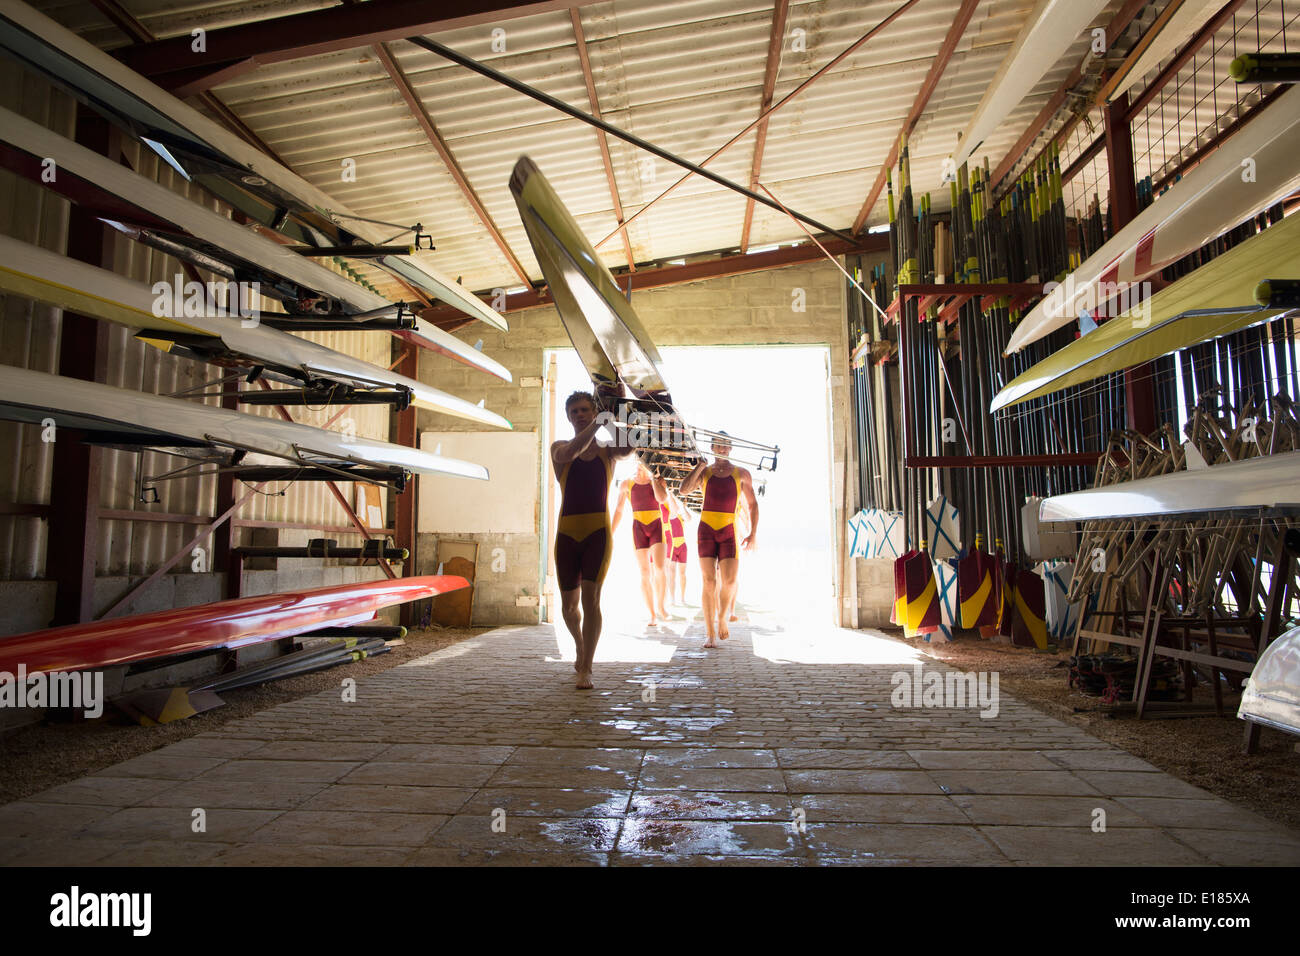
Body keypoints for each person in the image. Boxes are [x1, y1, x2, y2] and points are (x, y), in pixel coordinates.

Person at [551, 390, 633, 689]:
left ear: (593, 410)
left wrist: (621, 413)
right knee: (568, 607)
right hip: (566, 535)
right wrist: (599, 422)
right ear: (568, 417)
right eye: (574, 412)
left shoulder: (606, 448)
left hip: (598, 532)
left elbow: (629, 448)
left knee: (592, 598)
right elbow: (571, 451)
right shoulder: (559, 447)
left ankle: (586, 666)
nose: (580, 415)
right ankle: (579, 644)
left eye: (585, 410)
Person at [678, 434, 759, 647]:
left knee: (730, 581)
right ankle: (710, 633)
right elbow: (683, 490)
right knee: (708, 581)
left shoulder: (741, 473)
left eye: (725, 446)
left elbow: (752, 505)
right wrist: (699, 466)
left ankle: (722, 616)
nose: (721, 449)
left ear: (730, 448)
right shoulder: (705, 472)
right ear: (712, 448)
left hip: (728, 530)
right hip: (706, 529)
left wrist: (753, 533)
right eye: (718, 446)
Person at [611, 462, 670, 625]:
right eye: (638, 459)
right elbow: (619, 509)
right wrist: (610, 532)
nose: (640, 464)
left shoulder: (658, 481)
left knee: (659, 567)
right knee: (645, 572)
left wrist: (652, 479)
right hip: (639, 528)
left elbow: (662, 498)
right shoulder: (627, 483)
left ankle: (661, 606)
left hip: (656, 526)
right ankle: (652, 613)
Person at [662, 493, 691, 606]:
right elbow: (671, 504)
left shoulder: (678, 515)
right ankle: (672, 598)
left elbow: (689, 518)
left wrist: (684, 507)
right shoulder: (668, 514)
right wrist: (669, 493)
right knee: (672, 573)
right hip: (671, 547)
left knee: (682, 574)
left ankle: (682, 598)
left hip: (682, 546)